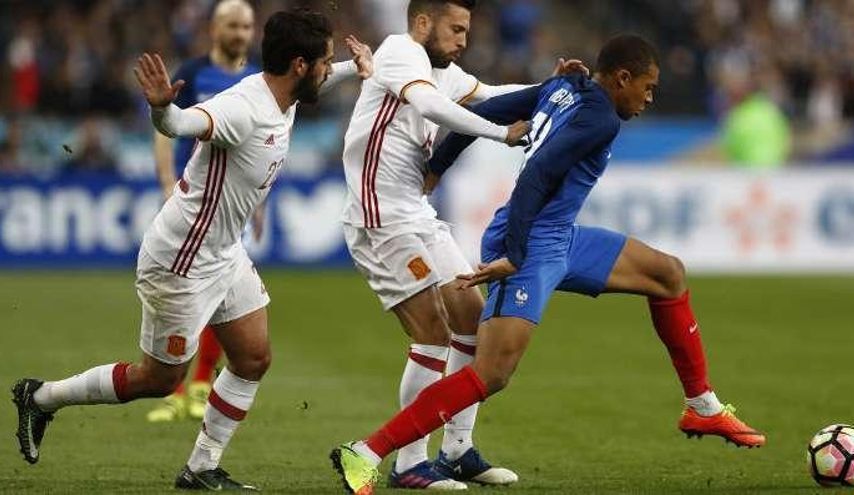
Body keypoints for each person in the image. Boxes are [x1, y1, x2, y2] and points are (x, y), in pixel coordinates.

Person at [331, 34, 765, 495]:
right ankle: (368, 452)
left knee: (667, 274)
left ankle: (701, 404)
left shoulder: (561, 88)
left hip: (560, 236)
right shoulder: (600, 119)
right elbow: (537, 175)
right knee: (492, 372)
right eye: (648, 86)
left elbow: (478, 114)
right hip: (530, 241)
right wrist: (514, 254)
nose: (650, 97)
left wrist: (439, 164)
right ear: (621, 79)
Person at [12, 9, 373, 490]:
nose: (330, 69)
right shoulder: (242, 108)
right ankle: (41, 398)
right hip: (181, 259)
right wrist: (162, 108)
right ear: (300, 65)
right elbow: (181, 124)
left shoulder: (285, 94)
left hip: (224, 252)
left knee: (253, 358)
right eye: (326, 62)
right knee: (161, 379)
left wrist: (355, 69)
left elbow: (321, 83)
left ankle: (201, 467)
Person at [339, 0, 585, 489]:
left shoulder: (441, 71)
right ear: (424, 23)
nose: (463, 40)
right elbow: (431, 107)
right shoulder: (398, 53)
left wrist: (553, 87)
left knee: (472, 319)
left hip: (417, 216)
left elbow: (494, 93)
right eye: (456, 29)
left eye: (467, 30)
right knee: (431, 333)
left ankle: (456, 450)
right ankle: (409, 463)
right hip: (380, 219)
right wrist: (499, 134)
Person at [149, 0, 259, 424]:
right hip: (189, 196)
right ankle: (178, 389)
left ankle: (197, 386)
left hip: (231, 203)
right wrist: (164, 181)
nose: (240, 33)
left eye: (247, 26)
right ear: (214, 29)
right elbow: (164, 128)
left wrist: (260, 204)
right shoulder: (192, 73)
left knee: (220, 293)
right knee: (185, 294)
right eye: (233, 25)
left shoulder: (257, 78)